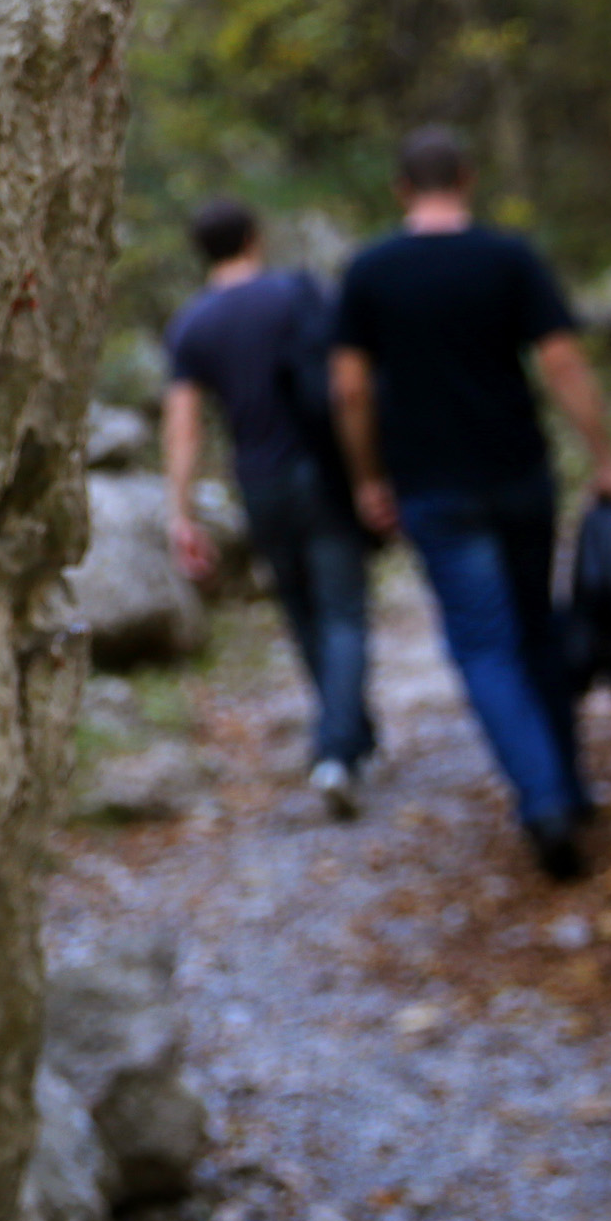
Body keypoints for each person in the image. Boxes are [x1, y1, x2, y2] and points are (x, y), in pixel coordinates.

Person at [330, 127, 611, 881]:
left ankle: (544, 801)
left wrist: (367, 478)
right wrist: (605, 459)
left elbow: (350, 389)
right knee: (537, 629)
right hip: (520, 474)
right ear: (466, 177)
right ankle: (568, 788)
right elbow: (562, 361)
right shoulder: (509, 257)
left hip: (433, 487)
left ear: (401, 188)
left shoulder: (370, 271)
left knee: (484, 646)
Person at [164, 199, 377, 818]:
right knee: (343, 611)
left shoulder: (191, 325)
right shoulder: (298, 293)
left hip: (258, 484)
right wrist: (371, 472)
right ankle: (337, 749)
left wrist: (181, 513)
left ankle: (348, 735)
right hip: (322, 472)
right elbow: (348, 382)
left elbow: (184, 428)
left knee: (303, 610)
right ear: (254, 237)